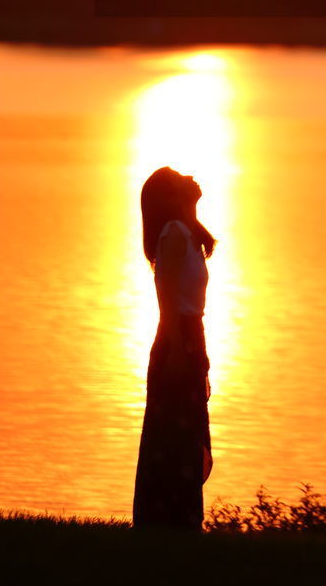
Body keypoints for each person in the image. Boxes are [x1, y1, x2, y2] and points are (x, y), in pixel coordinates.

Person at [132, 166, 215, 530]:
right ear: (170, 197)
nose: (190, 177)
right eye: (180, 178)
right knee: (173, 432)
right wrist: (179, 352)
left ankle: (182, 521)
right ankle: (166, 521)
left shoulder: (188, 234)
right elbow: (166, 299)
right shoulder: (174, 233)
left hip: (190, 335)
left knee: (188, 429)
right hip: (176, 339)